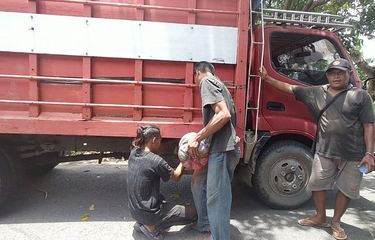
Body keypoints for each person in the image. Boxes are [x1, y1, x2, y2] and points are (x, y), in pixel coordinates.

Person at [259, 58, 375, 240]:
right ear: (327, 75)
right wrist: (267, 78)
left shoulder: (361, 96)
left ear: (348, 74)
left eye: (340, 72)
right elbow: (291, 89)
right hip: (324, 151)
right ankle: (320, 217)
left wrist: (369, 154)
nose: (335, 76)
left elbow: (369, 125)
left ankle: (336, 222)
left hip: (354, 154)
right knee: (316, 184)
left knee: (346, 189)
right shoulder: (317, 92)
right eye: (332, 73)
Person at [188, 61, 240, 240]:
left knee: (217, 200)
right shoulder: (220, 84)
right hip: (222, 148)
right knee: (213, 193)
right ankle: (209, 227)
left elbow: (223, 114)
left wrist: (197, 137)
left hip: (221, 150)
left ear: (197, 73)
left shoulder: (206, 82)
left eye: (195, 78)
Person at [127, 125, 197, 240]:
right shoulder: (156, 161)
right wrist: (184, 158)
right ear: (154, 140)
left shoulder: (133, 153)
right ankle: (151, 229)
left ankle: (142, 223)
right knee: (194, 214)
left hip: (134, 211)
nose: (161, 143)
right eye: (160, 140)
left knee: (162, 204)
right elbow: (176, 177)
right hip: (151, 212)